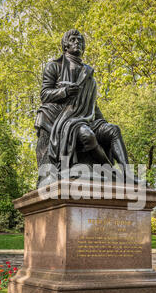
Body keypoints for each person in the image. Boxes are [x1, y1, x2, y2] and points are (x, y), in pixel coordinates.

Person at [35, 29, 134, 181]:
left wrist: (102, 123)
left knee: (113, 130)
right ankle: (110, 171)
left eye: (80, 40)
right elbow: (44, 94)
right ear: (65, 45)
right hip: (64, 120)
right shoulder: (54, 66)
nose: (77, 42)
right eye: (73, 39)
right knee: (87, 134)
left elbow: (92, 104)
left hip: (86, 118)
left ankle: (128, 175)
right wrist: (65, 91)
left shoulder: (88, 73)